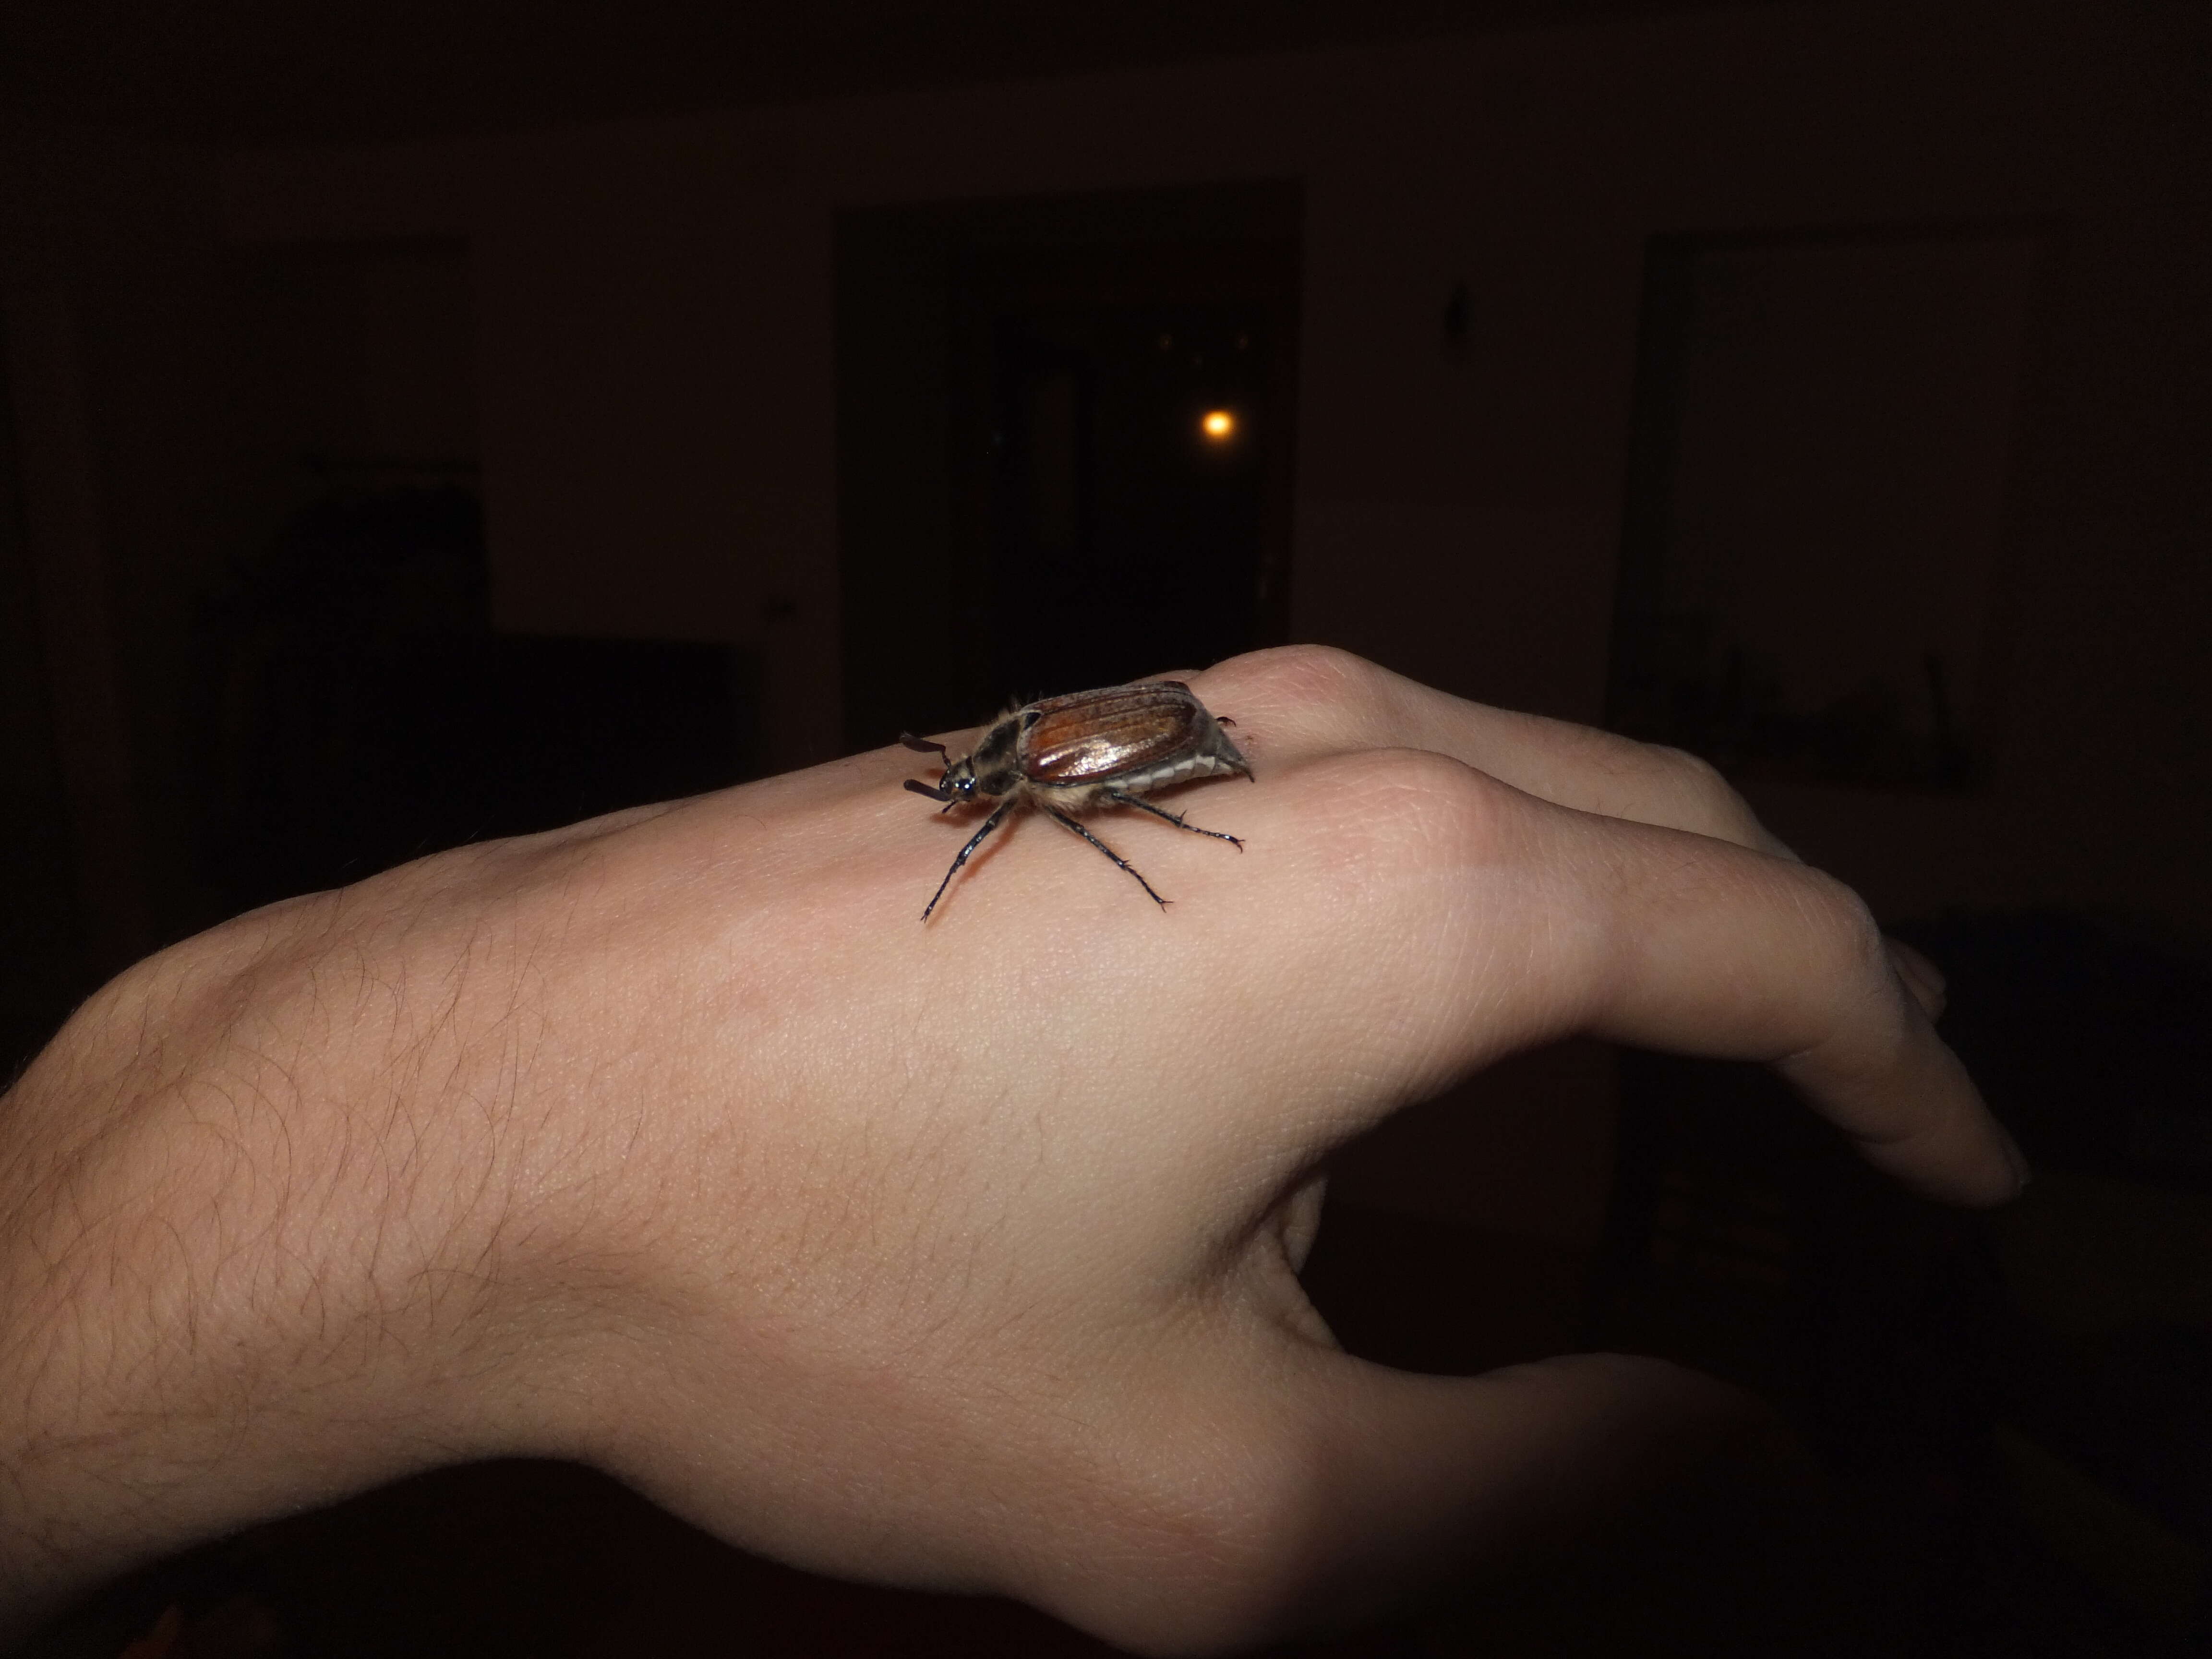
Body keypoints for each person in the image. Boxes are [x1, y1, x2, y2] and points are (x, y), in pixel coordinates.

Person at [0, 646, 2024, 1653]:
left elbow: (1094, 781)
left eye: (968, 789)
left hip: (1157, 758)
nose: (965, 799)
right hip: (1136, 745)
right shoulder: (999, 782)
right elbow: (994, 798)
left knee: (1124, 822)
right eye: (970, 789)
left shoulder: (1046, 781)